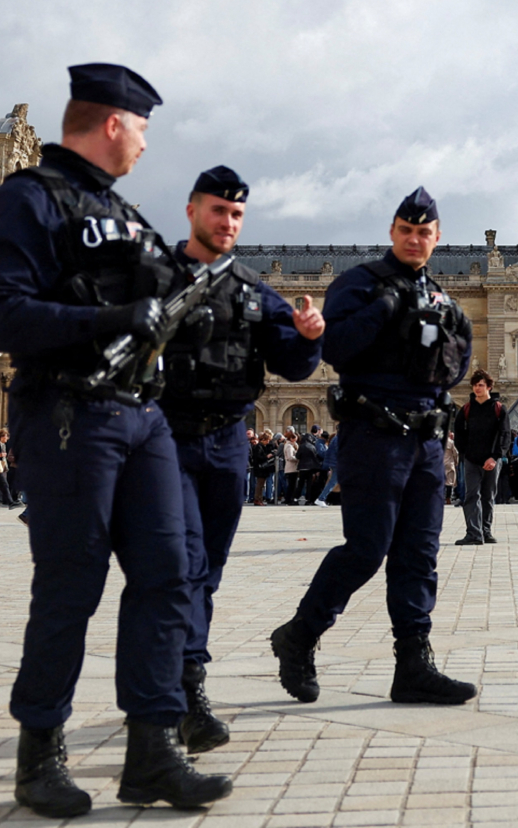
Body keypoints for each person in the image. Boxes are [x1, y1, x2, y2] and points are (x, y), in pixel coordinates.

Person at [0, 64, 232, 815]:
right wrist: (104, 323)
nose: (148, 145)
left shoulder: (121, 211)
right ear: (113, 124)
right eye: (143, 129)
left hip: (142, 417)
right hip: (68, 413)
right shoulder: (30, 199)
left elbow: (167, 292)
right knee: (70, 584)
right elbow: (1, 316)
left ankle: (152, 748)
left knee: (169, 576)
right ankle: (39, 752)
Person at [270, 186, 476, 708]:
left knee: (419, 554)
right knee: (365, 549)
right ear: (392, 232)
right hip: (374, 433)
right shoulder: (358, 284)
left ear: (436, 237)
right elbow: (334, 348)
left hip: (426, 442)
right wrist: (385, 310)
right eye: (406, 230)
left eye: (424, 232)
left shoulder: (445, 302)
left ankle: (413, 664)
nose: (414, 239)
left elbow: (456, 365)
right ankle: (300, 634)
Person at [159, 165, 325, 753]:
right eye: (217, 210)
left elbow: (296, 366)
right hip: (167, 437)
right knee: (180, 567)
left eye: (236, 214)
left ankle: (185, 683)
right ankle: (182, 691)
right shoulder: (156, 277)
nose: (227, 222)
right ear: (192, 211)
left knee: (208, 569)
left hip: (229, 439)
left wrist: (308, 335)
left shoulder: (253, 290)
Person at [452, 370, 510, 545]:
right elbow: (459, 433)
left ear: (489, 387)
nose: (477, 388)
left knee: (488, 496)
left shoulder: (499, 409)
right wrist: (465, 454)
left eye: (481, 385)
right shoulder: (466, 409)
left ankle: (485, 530)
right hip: (471, 459)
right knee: (471, 496)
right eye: (475, 385)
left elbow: (504, 435)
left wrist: (494, 457)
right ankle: (473, 533)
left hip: (492, 460)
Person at [251, 430, 279, 505]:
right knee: (260, 485)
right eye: (267, 440)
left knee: (261, 485)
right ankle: (257, 499)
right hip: (260, 468)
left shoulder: (261, 446)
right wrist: (267, 456)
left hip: (262, 468)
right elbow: (258, 457)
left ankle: (259, 499)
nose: (268, 442)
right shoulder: (259, 446)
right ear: (264, 440)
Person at [314, 432, 340, 506]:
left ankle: (321, 498)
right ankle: (321, 498)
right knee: (333, 482)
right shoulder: (339, 439)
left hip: (335, 463)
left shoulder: (336, 438)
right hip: (337, 463)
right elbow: (340, 451)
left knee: (333, 482)